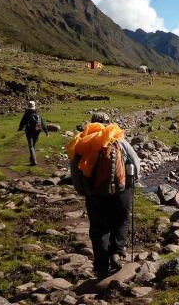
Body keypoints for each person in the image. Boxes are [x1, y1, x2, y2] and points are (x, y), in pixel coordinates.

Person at [68, 112, 141, 278]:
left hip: (94, 193)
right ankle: (116, 251)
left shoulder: (82, 142)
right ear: (109, 123)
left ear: (91, 124)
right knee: (121, 220)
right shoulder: (118, 139)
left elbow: (74, 169)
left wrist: (81, 189)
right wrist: (131, 183)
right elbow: (136, 164)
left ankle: (101, 266)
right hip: (120, 191)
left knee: (99, 228)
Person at [17, 101, 48, 166]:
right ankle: (31, 159)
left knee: (31, 146)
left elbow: (22, 122)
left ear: (28, 107)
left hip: (29, 131)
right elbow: (42, 123)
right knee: (33, 146)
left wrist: (20, 129)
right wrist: (46, 132)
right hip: (37, 131)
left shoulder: (26, 114)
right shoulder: (37, 114)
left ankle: (34, 161)